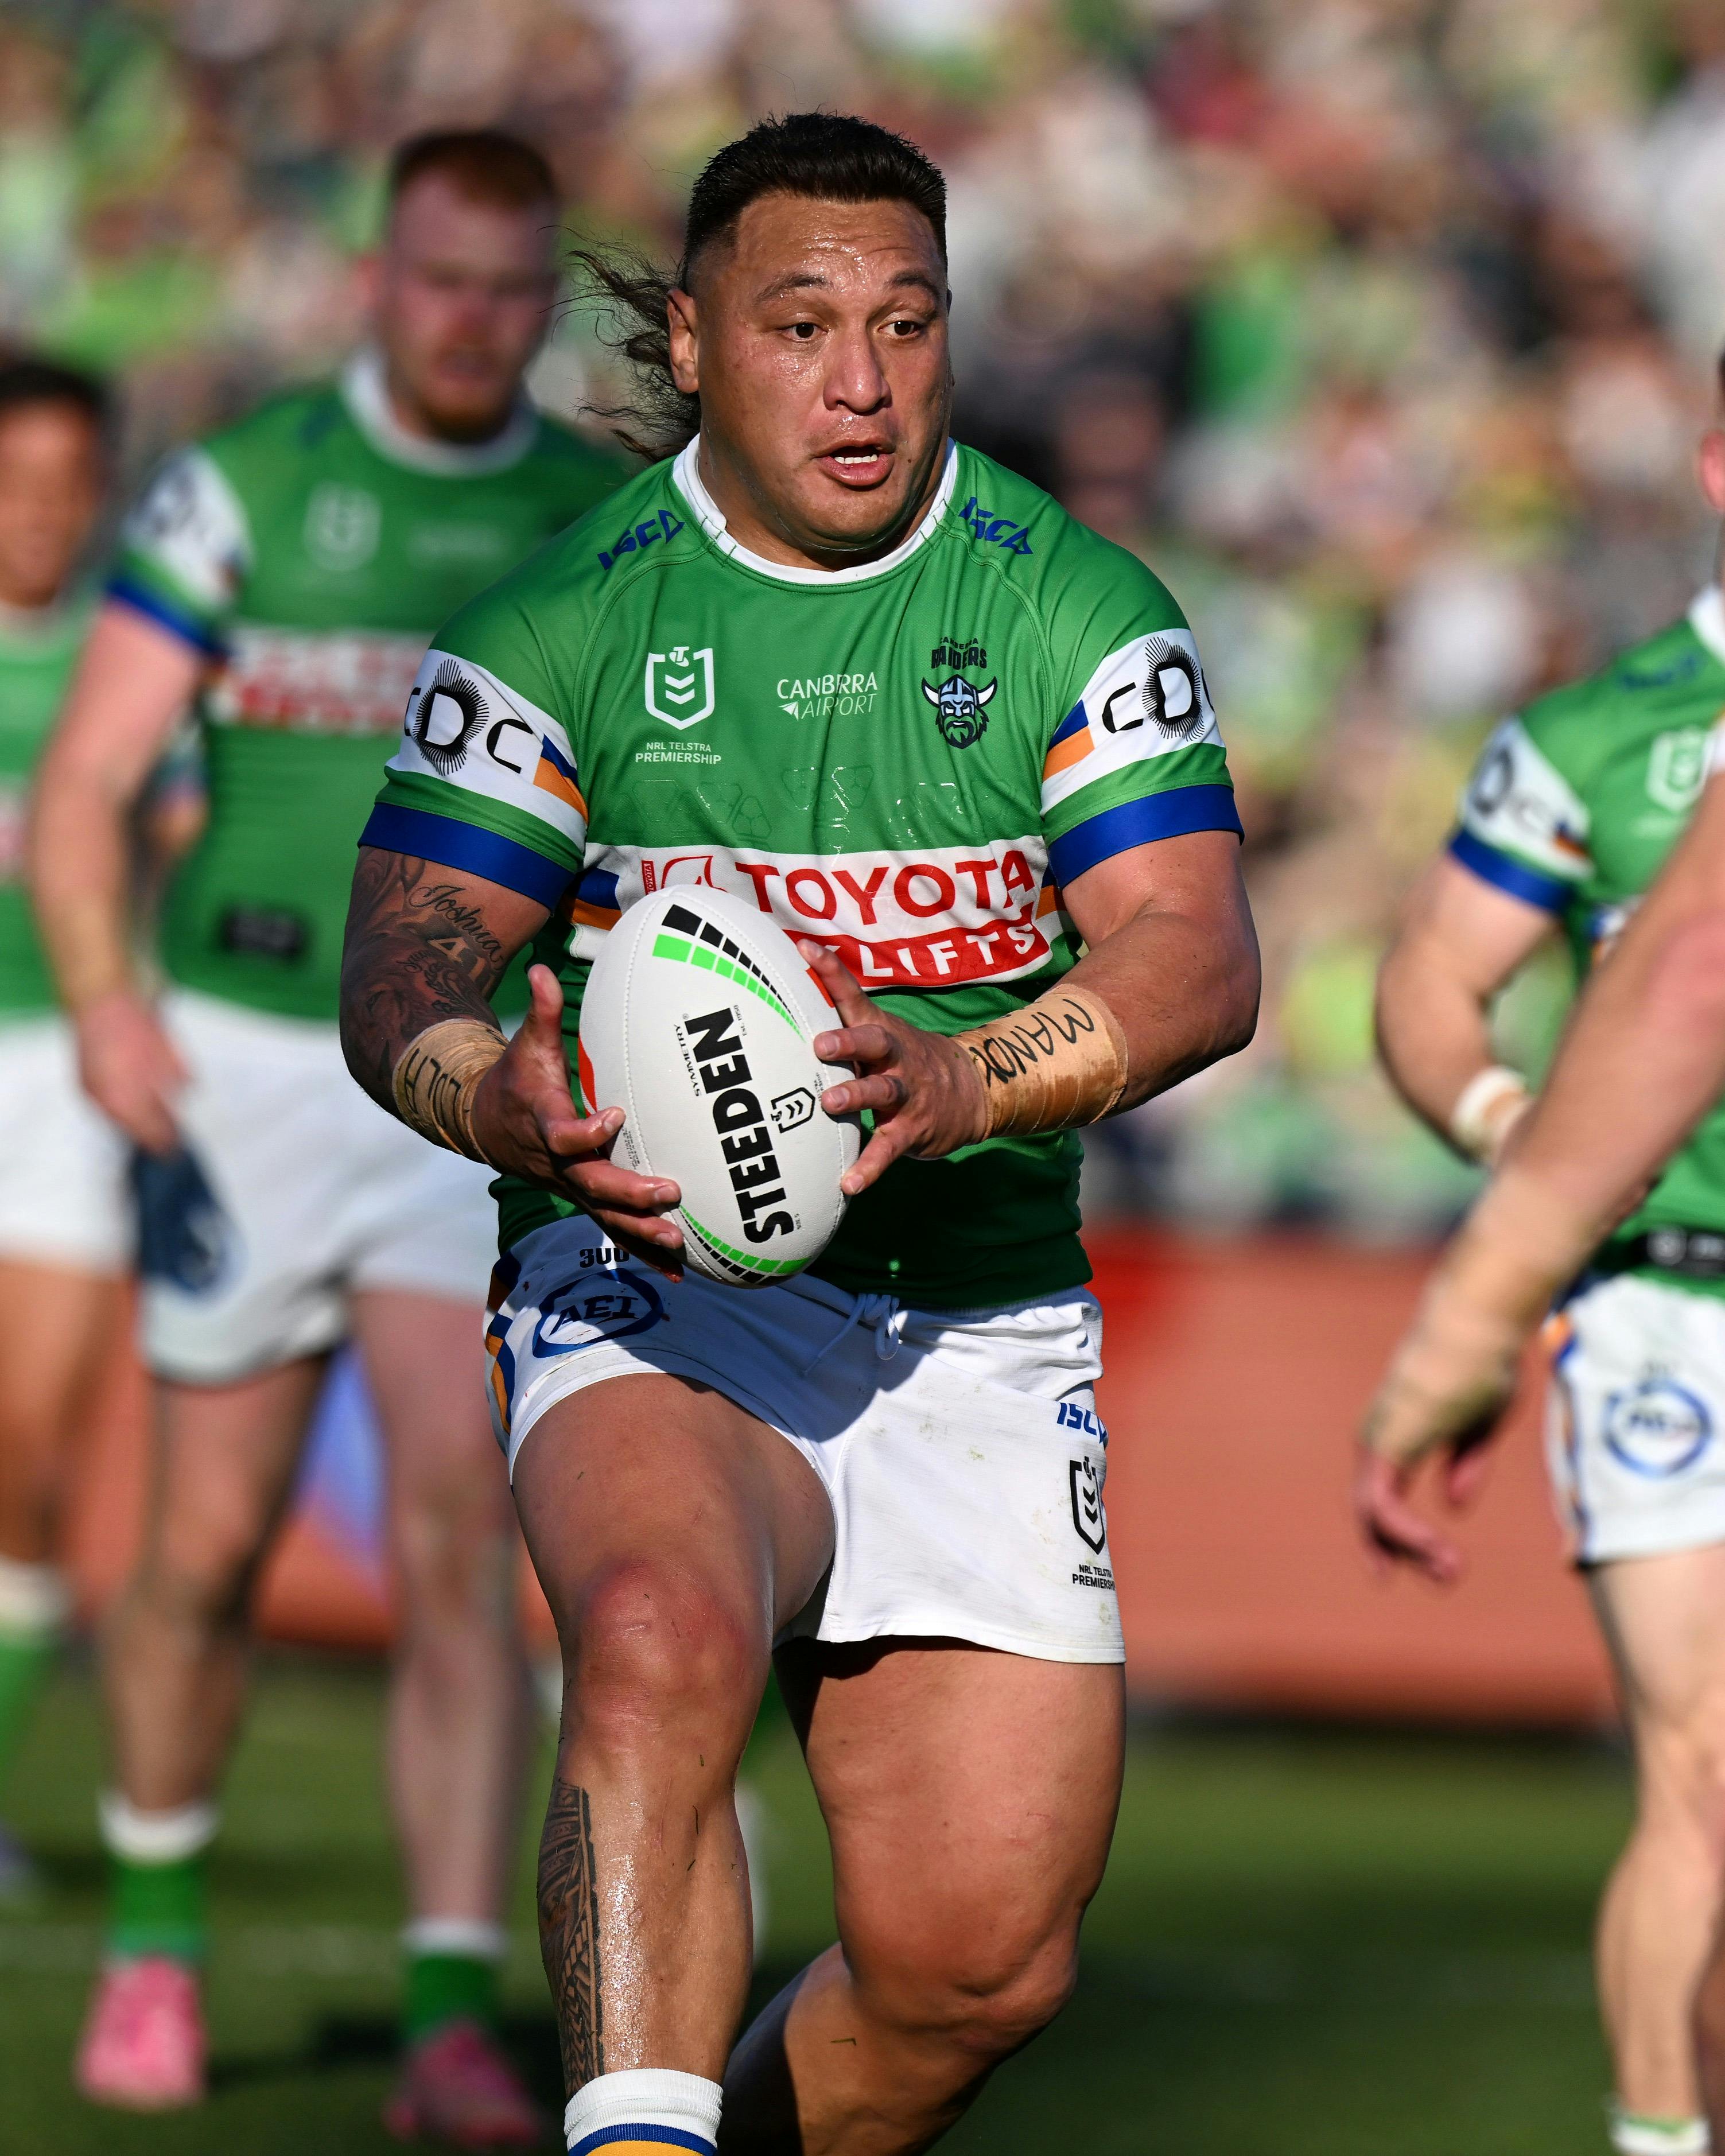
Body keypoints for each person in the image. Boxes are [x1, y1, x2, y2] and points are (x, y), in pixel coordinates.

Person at [339, 112, 1258, 2156]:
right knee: (654, 1635)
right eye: (803, 323)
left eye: (907, 325)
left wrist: (971, 1078)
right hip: (655, 1284)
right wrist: (485, 1085)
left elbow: (1195, 951)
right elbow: (403, 966)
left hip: (980, 1318)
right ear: (693, 334)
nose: (863, 382)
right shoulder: (561, 620)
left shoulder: (1072, 603)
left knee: (973, 1968)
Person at [30, 129, 625, 2136]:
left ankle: (452, 2011)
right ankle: (156, 1935)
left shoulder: (586, 518)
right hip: (247, 1068)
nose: (470, 320)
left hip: (459, 1091)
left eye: (506, 286)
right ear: (380, 277)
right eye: (438, 280)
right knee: (197, 1553)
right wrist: (109, 1004)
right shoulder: (245, 488)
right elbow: (93, 776)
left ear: (545, 292)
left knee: (462, 1558)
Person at [1365, 357, 1725, 2156]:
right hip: (1671, 1295)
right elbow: (1431, 981)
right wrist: (1523, 1146)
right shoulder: (1604, 731)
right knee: (1706, 1774)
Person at [0, 358, 119, 1895]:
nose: (37, 515)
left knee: (26, 1457)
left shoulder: (128, 665)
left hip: (78, 1073)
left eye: (64, 485)